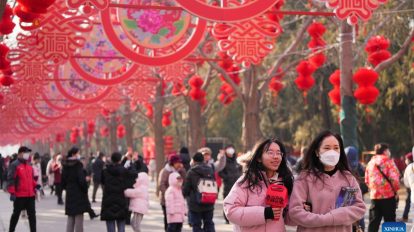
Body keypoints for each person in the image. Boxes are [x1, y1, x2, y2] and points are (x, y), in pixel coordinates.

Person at [288, 131, 366, 231]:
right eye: (327, 148)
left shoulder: (348, 178)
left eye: (336, 148)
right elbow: (295, 212)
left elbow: (358, 208)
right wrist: (323, 220)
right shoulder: (305, 178)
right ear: (317, 152)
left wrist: (332, 217)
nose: (332, 152)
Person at [223, 139, 293, 231]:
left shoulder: (285, 182)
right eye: (270, 153)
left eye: (279, 153)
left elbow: (288, 219)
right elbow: (231, 210)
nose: (276, 157)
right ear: (259, 158)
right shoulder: (247, 181)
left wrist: (299, 210)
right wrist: (264, 213)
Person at [365, 143, 400, 232]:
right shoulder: (388, 161)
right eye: (388, 150)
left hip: (374, 197)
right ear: (385, 151)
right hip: (388, 196)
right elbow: (395, 179)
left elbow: (367, 180)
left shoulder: (370, 163)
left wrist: (374, 190)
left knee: (373, 223)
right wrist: (396, 191)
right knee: (390, 222)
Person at [62, 147, 98, 232]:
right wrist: (85, 187)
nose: (79, 155)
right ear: (74, 154)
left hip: (70, 194)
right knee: (78, 219)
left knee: (70, 218)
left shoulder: (65, 165)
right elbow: (81, 180)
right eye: (78, 153)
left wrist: (68, 188)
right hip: (79, 194)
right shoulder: (78, 165)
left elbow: (62, 182)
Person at [101, 151, 136, 232]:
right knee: (121, 225)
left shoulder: (105, 171)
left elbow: (102, 182)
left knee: (110, 225)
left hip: (108, 200)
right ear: (120, 160)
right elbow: (133, 177)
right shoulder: (124, 171)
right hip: (121, 200)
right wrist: (131, 161)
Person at [7, 146, 38, 232]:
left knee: (32, 216)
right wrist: (12, 192)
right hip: (19, 196)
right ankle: (11, 230)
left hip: (30, 195)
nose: (28, 155)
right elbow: (11, 179)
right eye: (26, 153)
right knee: (16, 214)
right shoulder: (14, 165)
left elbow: (30, 179)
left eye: (28, 153)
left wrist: (36, 185)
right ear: (20, 153)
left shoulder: (29, 165)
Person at [183, 152, 216, 232]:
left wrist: (185, 195)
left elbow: (186, 189)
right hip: (209, 201)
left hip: (195, 204)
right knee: (209, 223)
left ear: (193, 161)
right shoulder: (210, 170)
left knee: (196, 225)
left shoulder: (191, 172)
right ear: (203, 160)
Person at [157, 154, 186, 231]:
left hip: (177, 200)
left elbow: (184, 181)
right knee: (168, 220)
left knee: (177, 222)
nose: (179, 164)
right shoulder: (165, 171)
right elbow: (161, 184)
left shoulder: (179, 171)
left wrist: (182, 170)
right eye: (177, 162)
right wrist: (169, 194)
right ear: (172, 163)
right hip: (166, 200)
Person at [345, 146, 367, 231]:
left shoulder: (341, 166)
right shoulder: (359, 165)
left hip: (347, 192)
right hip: (358, 193)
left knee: (347, 216)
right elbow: (365, 179)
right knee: (359, 217)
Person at [218, 145, 242, 224]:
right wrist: (227, 177)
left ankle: (235, 217)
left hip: (237, 184)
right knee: (227, 201)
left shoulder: (236, 160)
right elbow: (220, 172)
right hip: (228, 184)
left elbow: (240, 170)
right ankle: (227, 218)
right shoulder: (223, 161)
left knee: (237, 202)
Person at [400, 151, 414, 222]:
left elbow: (406, 182)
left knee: (408, 202)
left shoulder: (409, 167)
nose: (405, 160)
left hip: (411, 189)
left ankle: (405, 216)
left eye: (406, 159)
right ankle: (405, 216)